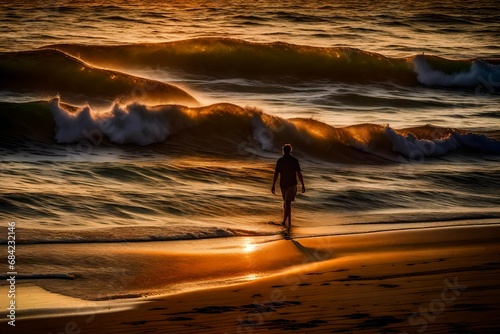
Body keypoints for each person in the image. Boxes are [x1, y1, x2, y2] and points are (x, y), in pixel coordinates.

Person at [271, 144, 305, 227]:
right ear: (290, 150)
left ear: (283, 151)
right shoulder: (294, 160)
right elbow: (299, 174)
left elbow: (276, 174)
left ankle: (283, 222)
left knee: (287, 202)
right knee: (286, 204)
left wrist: (273, 185)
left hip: (286, 185)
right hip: (290, 184)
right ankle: (288, 222)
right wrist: (303, 185)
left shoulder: (280, 160)